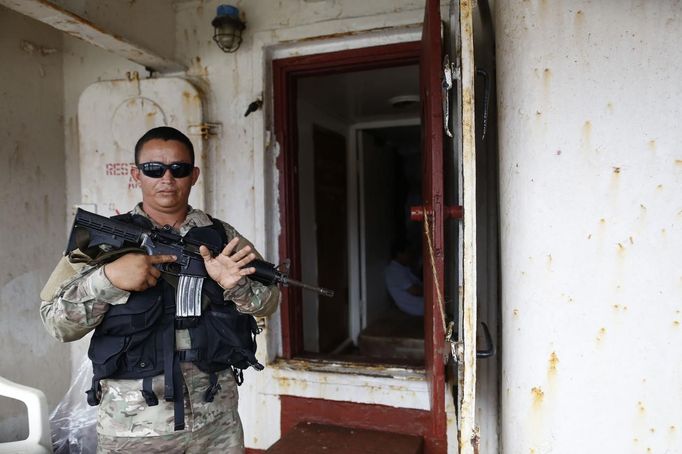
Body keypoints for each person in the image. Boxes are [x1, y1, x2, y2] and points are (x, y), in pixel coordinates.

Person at [40, 126, 279, 453]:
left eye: (178, 169)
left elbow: (267, 303)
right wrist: (108, 279)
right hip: (134, 426)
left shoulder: (223, 237)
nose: (167, 178)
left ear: (193, 175)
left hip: (215, 423)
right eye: (154, 169)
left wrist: (235, 285)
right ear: (136, 174)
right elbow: (56, 323)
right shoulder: (103, 240)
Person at [384, 240, 424, 317]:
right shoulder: (394, 271)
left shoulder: (402, 267)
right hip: (416, 307)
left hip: (419, 303)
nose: (411, 255)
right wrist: (432, 291)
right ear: (399, 254)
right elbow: (414, 291)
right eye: (408, 252)